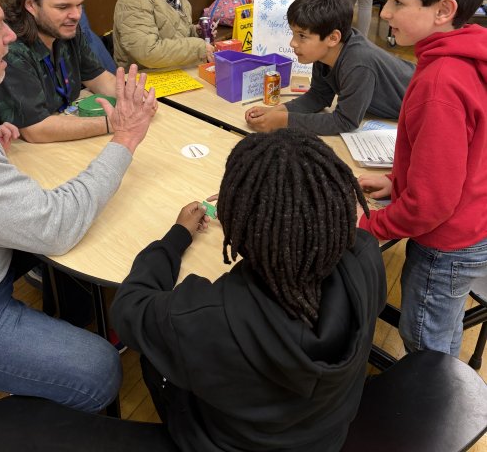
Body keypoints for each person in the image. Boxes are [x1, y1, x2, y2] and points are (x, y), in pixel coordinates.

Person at [0, 0, 156, 410]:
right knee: (99, 369)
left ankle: (66, 317)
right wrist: (124, 139)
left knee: (70, 248)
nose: (8, 36)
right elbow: (55, 225)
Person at [107, 129, 386, 452]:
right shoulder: (365, 257)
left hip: (224, 442)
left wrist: (177, 237)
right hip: (327, 435)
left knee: (154, 361)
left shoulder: (208, 318)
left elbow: (129, 306)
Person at [357, 0, 487, 356]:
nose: (386, 11)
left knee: (425, 343)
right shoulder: (463, 54)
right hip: (472, 223)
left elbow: (432, 203)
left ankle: (436, 411)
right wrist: (400, 182)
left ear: (444, 10)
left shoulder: (440, 82)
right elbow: (460, 156)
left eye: (397, 1)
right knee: (441, 329)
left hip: (445, 242)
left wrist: (371, 226)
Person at [0, 0, 126, 143]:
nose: (76, 15)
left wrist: (132, 102)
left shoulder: (66, 29)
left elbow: (98, 78)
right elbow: (35, 129)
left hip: (57, 137)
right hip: (8, 150)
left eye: (79, 5)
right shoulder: (9, 48)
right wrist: (113, 124)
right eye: (63, 7)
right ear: (31, 5)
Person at [245, 0, 414, 135]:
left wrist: (283, 121)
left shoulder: (358, 63)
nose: (293, 43)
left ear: (333, 38)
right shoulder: (325, 53)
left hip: (423, 110)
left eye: (302, 36)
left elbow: (346, 121)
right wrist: (276, 111)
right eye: (293, 33)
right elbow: (319, 97)